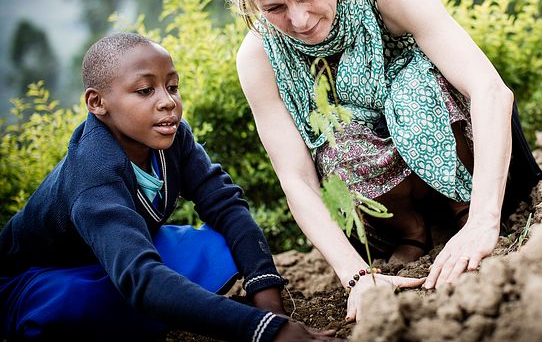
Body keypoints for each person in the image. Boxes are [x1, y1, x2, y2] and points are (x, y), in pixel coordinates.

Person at [223, 0, 542, 322]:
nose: (299, 20)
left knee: (414, 88)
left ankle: (462, 215)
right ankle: (414, 236)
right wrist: (356, 276)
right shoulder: (259, 54)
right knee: (339, 140)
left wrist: (483, 222)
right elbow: (295, 177)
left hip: (483, 189)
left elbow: (490, 91)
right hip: (379, 224)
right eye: (276, 8)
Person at [0, 32, 342, 342]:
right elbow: (138, 277)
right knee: (77, 306)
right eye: (145, 90)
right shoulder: (94, 170)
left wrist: (271, 310)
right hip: (43, 276)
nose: (167, 102)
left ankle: (154, 311)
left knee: (220, 244)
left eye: (172, 87)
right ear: (97, 103)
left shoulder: (173, 136)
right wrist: (260, 330)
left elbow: (225, 205)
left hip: (122, 254)